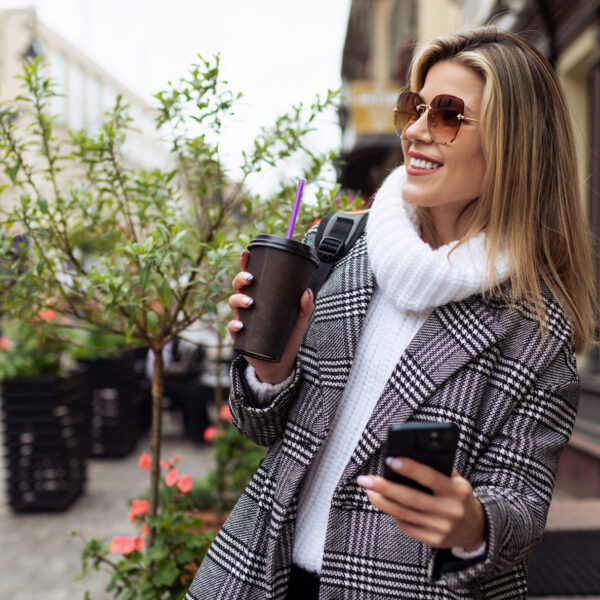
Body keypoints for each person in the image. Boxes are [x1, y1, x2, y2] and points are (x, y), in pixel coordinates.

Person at [185, 27, 596, 600]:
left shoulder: (534, 330)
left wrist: (472, 524)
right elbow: (263, 430)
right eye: (414, 108)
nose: (417, 132)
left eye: (448, 115)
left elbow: (521, 508)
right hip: (261, 576)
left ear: (512, 145)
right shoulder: (344, 248)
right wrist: (269, 374)